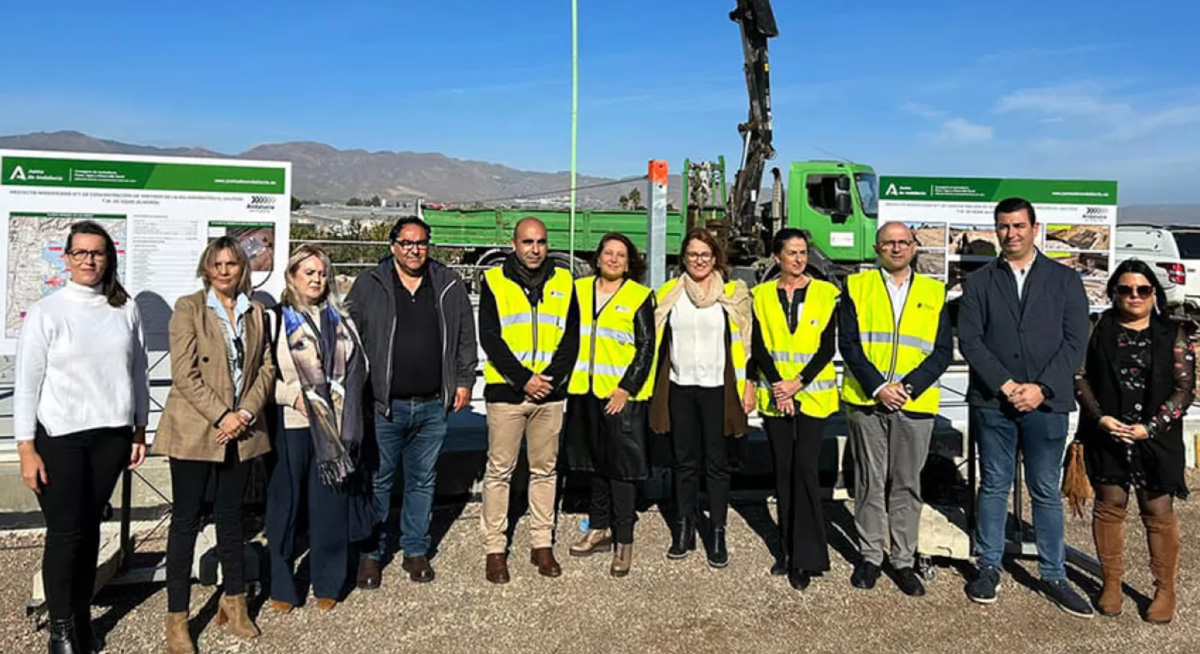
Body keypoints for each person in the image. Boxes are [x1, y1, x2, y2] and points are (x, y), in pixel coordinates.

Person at [15, 221, 148, 654]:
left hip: (110, 436)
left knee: (90, 531)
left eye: (98, 253)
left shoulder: (123, 308)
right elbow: (27, 384)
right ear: (66, 258)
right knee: (65, 533)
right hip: (61, 439)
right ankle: (60, 629)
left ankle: (79, 615)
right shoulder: (47, 312)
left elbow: (137, 371)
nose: (90, 260)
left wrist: (140, 427)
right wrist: (26, 447)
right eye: (81, 253)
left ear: (109, 258)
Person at [958, 197, 1093, 617]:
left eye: (1018, 225)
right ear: (995, 230)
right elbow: (971, 339)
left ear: (1035, 228)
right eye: (1003, 226)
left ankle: (1054, 574)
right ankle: (989, 567)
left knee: (1045, 492)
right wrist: (1006, 384)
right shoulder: (980, 282)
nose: (1010, 233)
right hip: (993, 403)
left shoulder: (1065, 280)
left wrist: (1041, 388)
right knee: (994, 486)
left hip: (1046, 405)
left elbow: (1075, 341)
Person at [154, 236, 276, 653]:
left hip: (240, 431)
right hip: (195, 430)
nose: (225, 271)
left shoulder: (256, 312)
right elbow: (184, 374)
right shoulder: (189, 308)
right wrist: (222, 414)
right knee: (186, 521)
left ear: (243, 269)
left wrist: (244, 414)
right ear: (207, 269)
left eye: (232, 264)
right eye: (217, 264)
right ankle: (177, 619)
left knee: (231, 517)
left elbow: (266, 367)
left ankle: (235, 600)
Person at [346, 216, 477, 588]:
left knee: (422, 480)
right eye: (406, 243)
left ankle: (415, 549)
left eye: (420, 243)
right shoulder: (370, 284)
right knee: (379, 480)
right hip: (384, 404)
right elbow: (350, 337)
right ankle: (371, 554)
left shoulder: (447, 282)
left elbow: (465, 336)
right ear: (392, 246)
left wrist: (464, 380)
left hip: (434, 404)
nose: (414, 250)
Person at [1074, 260, 1193, 623]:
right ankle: (1111, 584)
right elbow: (1080, 377)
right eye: (1125, 289)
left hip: (1156, 438)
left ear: (1153, 293)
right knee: (1110, 507)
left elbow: (1184, 389)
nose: (1134, 296)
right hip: (1107, 433)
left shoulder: (1173, 332)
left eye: (1142, 289)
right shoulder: (1097, 329)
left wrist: (1151, 427)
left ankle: (1165, 589)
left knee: (1157, 512)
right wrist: (1100, 418)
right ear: (1114, 293)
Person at [838, 222, 952, 596]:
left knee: (906, 483)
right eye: (889, 243)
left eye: (904, 242)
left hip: (914, 403)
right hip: (867, 401)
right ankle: (871, 556)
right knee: (869, 482)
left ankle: (902, 560)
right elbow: (850, 344)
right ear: (877, 248)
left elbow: (940, 352)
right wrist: (878, 388)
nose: (897, 248)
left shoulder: (935, 292)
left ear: (915, 247)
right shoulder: (857, 286)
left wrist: (907, 388)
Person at [264, 245, 374, 613]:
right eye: (308, 272)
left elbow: (361, 368)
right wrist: (291, 395)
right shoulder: (275, 320)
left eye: (322, 273)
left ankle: (328, 580)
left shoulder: (341, 320)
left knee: (329, 506)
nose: (316, 279)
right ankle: (281, 583)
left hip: (335, 431)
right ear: (292, 276)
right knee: (286, 505)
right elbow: (262, 376)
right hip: (294, 424)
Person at [478, 217, 580, 583]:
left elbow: (571, 339)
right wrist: (523, 380)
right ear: (514, 243)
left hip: (549, 395)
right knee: (500, 471)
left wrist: (547, 380)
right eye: (527, 242)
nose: (534, 249)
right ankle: (495, 549)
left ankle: (541, 544)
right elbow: (489, 337)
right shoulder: (493, 281)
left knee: (545, 470)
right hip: (507, 394)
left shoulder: (565, 282)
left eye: (540, 242)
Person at [649, 228, 754, 568]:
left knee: (718, 465)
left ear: (715, 258)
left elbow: (748, 344)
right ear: (683, 257)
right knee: (684, 463)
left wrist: (749, 384)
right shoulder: (669, 294)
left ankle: (718, 532)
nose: (699, 261)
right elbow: (654, 342)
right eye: (693, 254)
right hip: (681, 387)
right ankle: (684, 528)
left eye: (705, 255)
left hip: (719, 390)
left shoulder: (733, 295)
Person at [749, 228, 839, 590]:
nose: (799, 259)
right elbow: (759, 346)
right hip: (776, 398)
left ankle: (807, 556)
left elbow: (826, 348)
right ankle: (786, 551)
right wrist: (778, 388)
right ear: (777, 257)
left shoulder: (826, 293)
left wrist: (797, 383)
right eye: (792, 253)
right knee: (783, 474)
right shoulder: (761, 296)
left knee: (804, 470)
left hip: (812, 394)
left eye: (803, 252)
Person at [564, 233, 656, 577]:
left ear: (630, 263)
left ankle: (624, 540)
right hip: (584, 391)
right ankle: (598, 529)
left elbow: (646, 346)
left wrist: (626, 388)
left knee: (622, 470)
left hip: (620, 397)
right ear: (598, 256)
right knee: (595, 466)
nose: (614, 259)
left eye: (621, 255)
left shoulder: (639, 296)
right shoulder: (579, 289)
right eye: (608, 253)